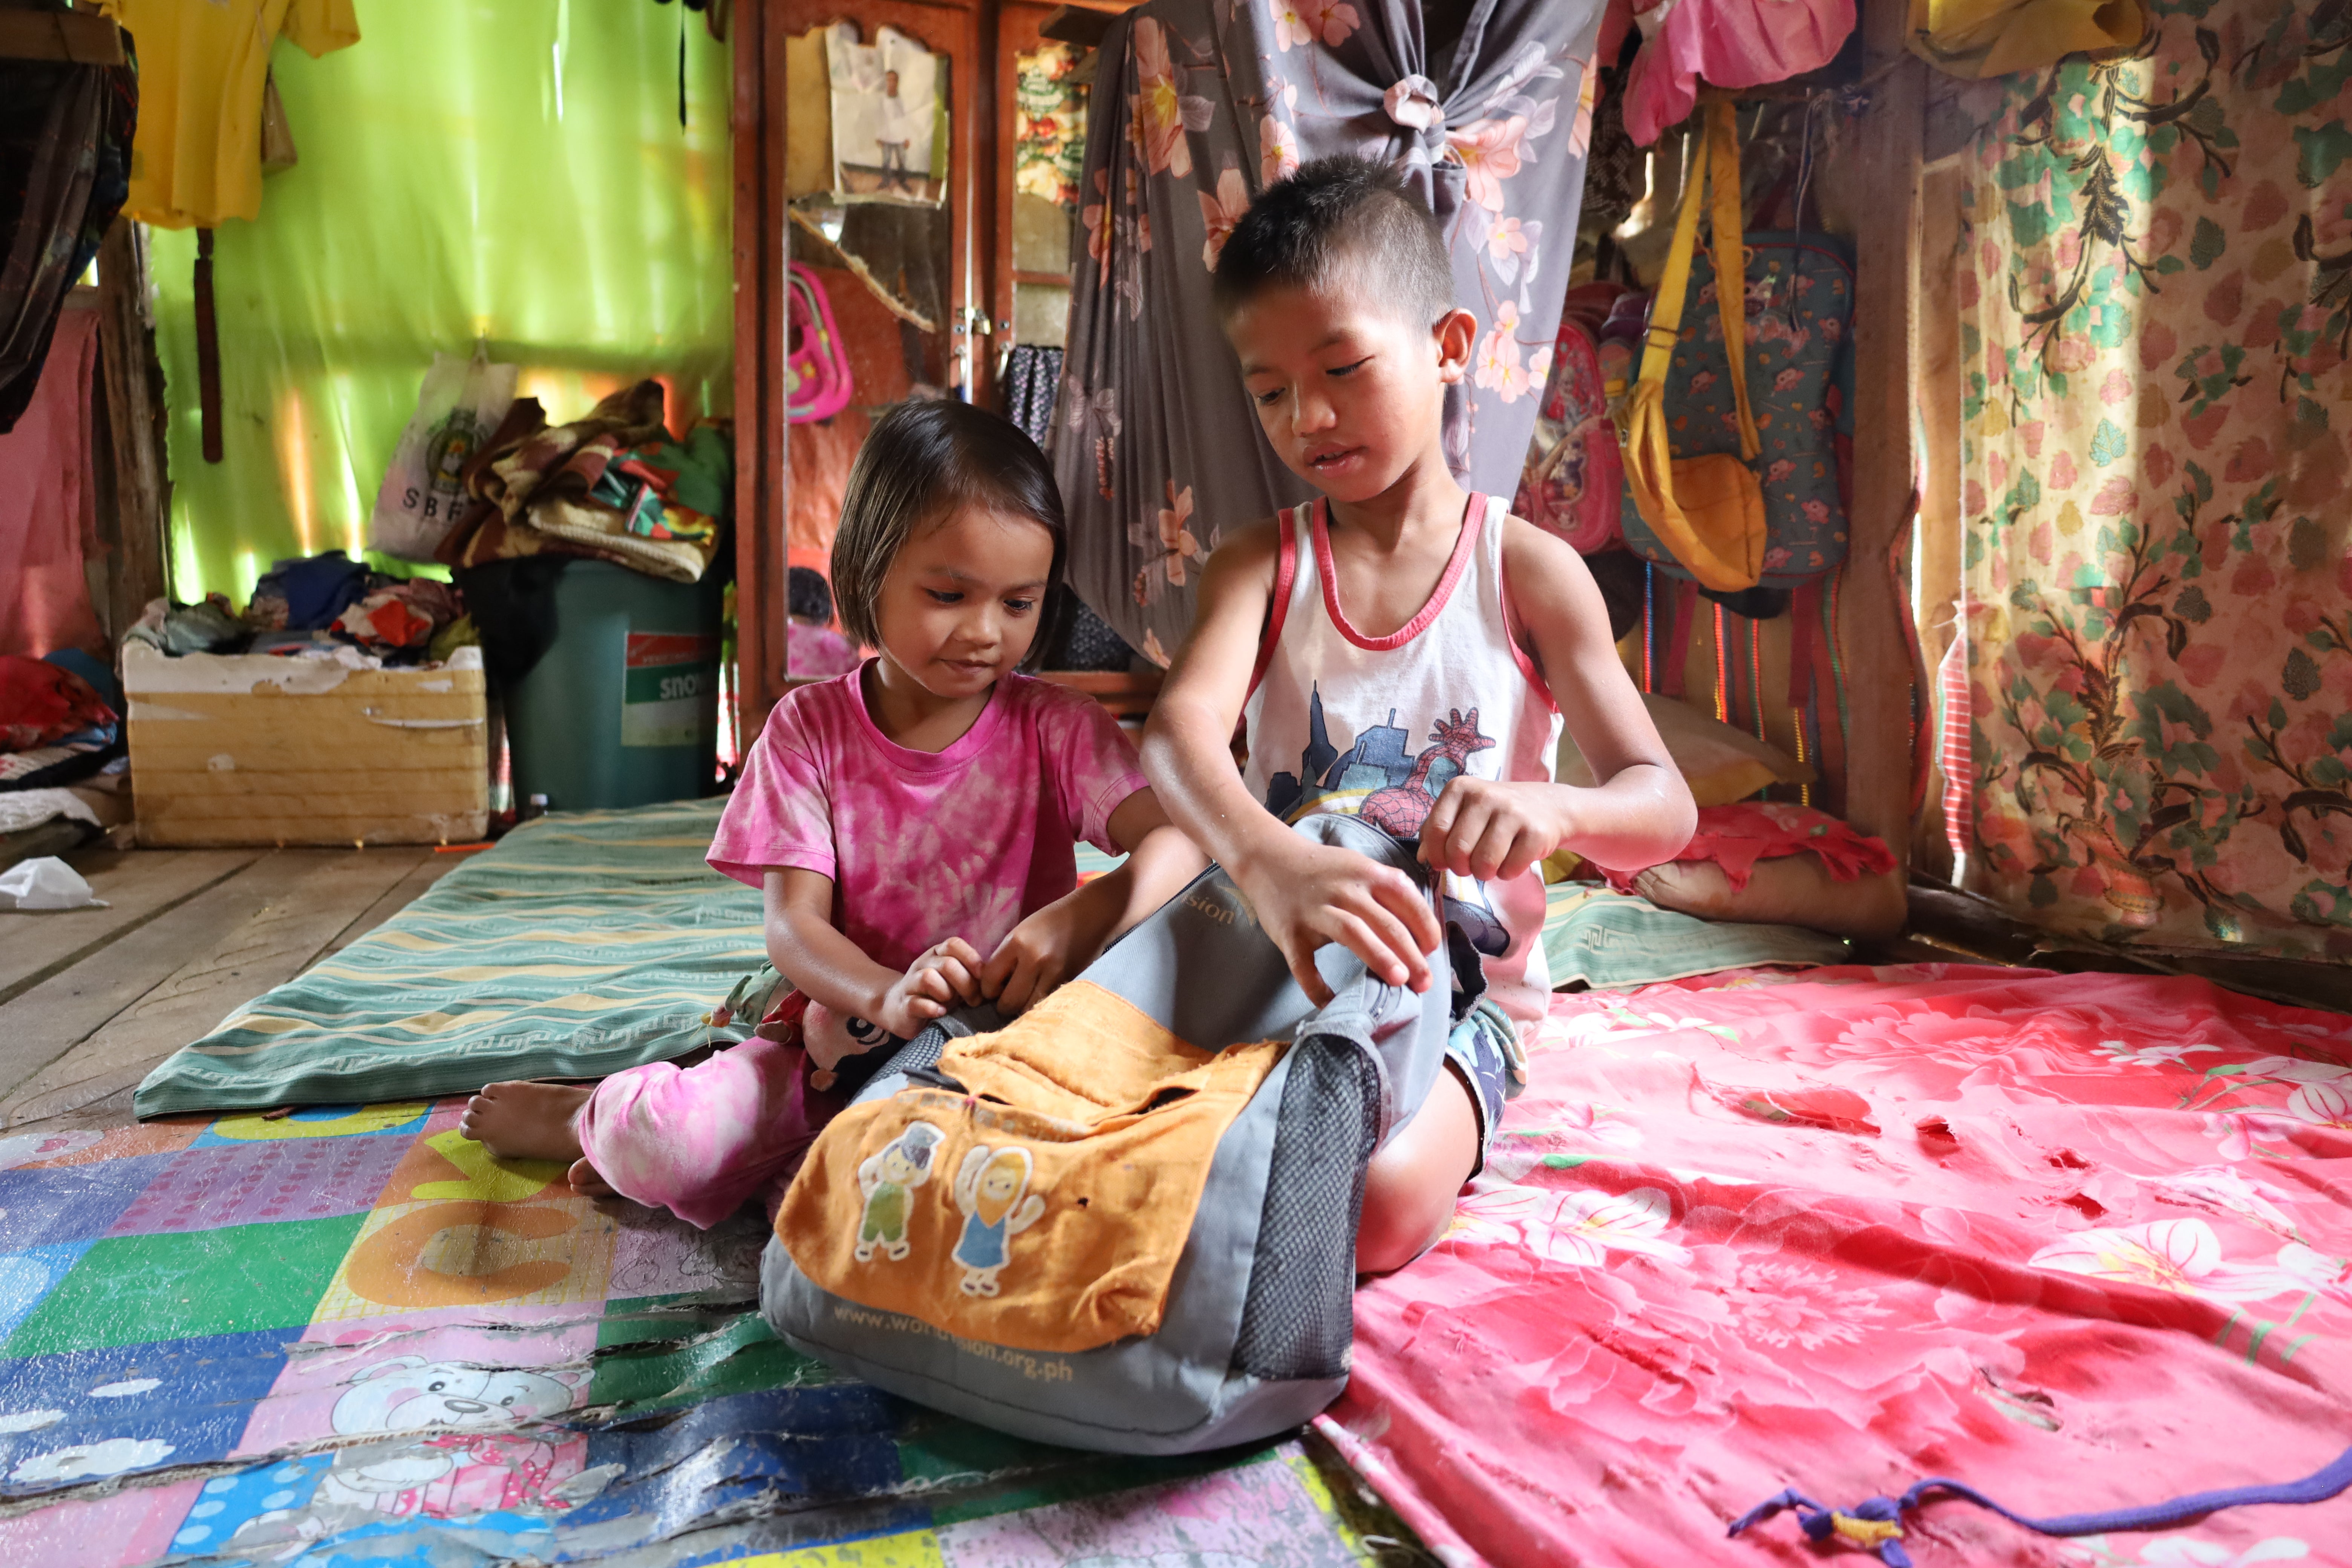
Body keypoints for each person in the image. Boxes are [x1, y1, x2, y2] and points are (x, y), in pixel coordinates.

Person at [1140, 156, 1697, 1276]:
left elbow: (1665, 807)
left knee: (1379, 1209)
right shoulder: (1262, 565)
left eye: (1343, 367)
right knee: (1126, 1103)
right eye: (1270, 390)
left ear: (1447, 346)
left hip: (1460, 1003)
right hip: (1274, 954)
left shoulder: (1529, 574)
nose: (1309, 416)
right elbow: (1176, 736)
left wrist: (1556, 808)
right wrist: (1268, 863)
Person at [464, 400, 1205, 1227]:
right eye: (949, 593)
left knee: (1008, 1198)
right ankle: (587, 1119)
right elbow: (794, 929)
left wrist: (1085, 913)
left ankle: (735, 1174)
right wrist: (889, 996)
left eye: (1019, 604)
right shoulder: (808, 731)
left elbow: (1179, 843)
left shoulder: (1057, 726)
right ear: (865, 569)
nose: (985, 632)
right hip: (830, 1058)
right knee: (669, 1142)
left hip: (1000, 1065)